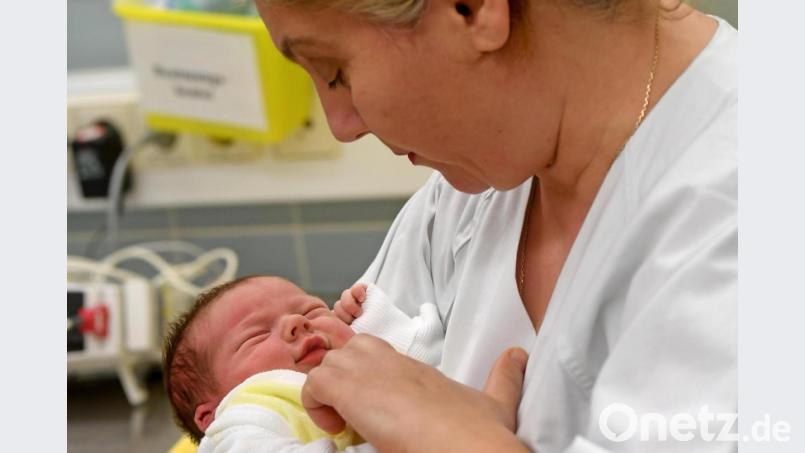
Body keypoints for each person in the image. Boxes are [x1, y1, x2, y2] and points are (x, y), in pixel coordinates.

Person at [254, 0, 737, 451]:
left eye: (335, 72)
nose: (342, 126)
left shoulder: (734, 211)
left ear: (472, 9)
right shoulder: (475, 180)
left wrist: (459, 441)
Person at [163, 276, 445, 451]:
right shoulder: (245, 415)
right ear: (213, 416)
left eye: (312, 310)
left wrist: (375, 325)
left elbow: (441, 372)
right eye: (257, 336)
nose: (298, 322)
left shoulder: (363, 368)